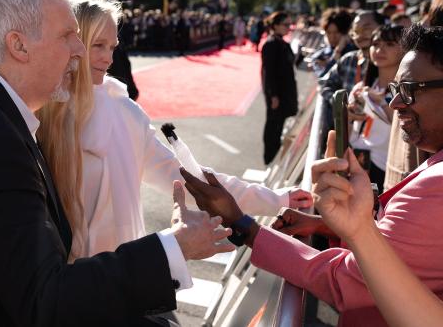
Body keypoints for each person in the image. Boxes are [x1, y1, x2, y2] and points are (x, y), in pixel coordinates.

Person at [0, 0, 234, 327]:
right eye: (67, 35)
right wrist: (175, 247)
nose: (79, 50)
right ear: (19, 45)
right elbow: (46, 300)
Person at [182, 24, 443, 326]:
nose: (395, 103)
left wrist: (244, 225)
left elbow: (344, 281)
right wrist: (329, 226)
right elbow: (406, 250)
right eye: (396, 90)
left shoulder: (433, 190)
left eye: (409, 91)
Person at [36, 0, 312, 260]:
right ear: (74, 42)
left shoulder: (125, 112)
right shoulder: (38, 110)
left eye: (112, 47)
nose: (108, 58)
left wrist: (278, 198)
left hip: (117, 279)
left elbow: (193, 179)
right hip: (57, 280)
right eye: (98, 45)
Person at [314, 132, 443, 327]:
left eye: (411, 98)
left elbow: (347, 280)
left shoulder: (436, 183)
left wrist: (255, 233)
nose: (395, 103)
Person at [348, 25, 404, 190]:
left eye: (390, 44)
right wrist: (347, 117)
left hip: (386, 168)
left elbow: (403, 129)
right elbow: (348, 135)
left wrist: (380, 103)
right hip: (356, 161)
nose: (380, 49)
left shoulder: (405, 91)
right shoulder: (360, 88)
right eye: (376, 44)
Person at [261, 11, 297, 164]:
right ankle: (270, 158)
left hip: (285, 90)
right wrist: (273, 95)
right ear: (275, 26)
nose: (289, 27)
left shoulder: (282, 42)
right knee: (273, 126)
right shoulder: (270, 44)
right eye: (286, 24)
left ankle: (273, 157)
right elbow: (268, 72)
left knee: (279, 124)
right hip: (277, 93)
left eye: (290, 24)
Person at [309, 8, 355, 77]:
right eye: (328, 33)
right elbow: (324, 78)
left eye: (336, 32)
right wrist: (337, 53)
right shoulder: (320, 56)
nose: (332, 37)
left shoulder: (354, 52)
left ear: (345, 32)